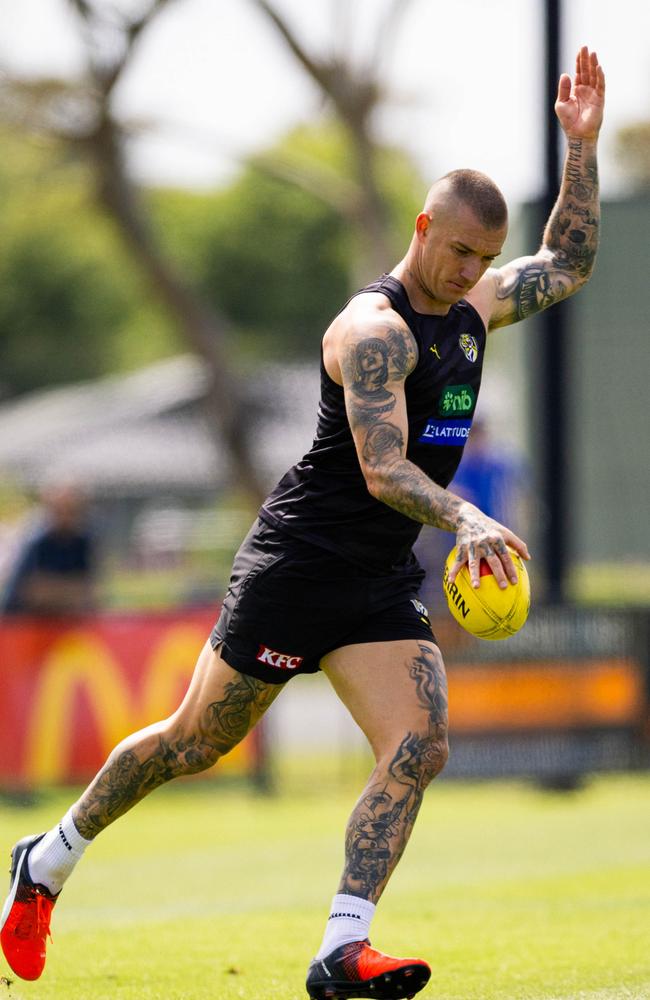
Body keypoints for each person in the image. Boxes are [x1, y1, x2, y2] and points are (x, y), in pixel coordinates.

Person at [0, 47, 604, 998]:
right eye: (459, 252)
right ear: (422, 227)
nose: (473, 271)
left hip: (372, 581)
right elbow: (380, 467)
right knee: (194, 745)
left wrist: (581, 147)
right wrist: (466, 513)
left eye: (485, 259)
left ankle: (340, 950)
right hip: (298, 561)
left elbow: (567, 260)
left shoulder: (472, 309)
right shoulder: (374, 331)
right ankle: (48, 857)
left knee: (420, 744)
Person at [0, 482, 97, 617]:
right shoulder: (37, 543)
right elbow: (34, 593)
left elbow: (90, 592)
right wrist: (69, 591)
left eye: (71, 510)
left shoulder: (82, 543)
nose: (65, 517)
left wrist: (56, 590)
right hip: (22, 625)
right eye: (60, 510)